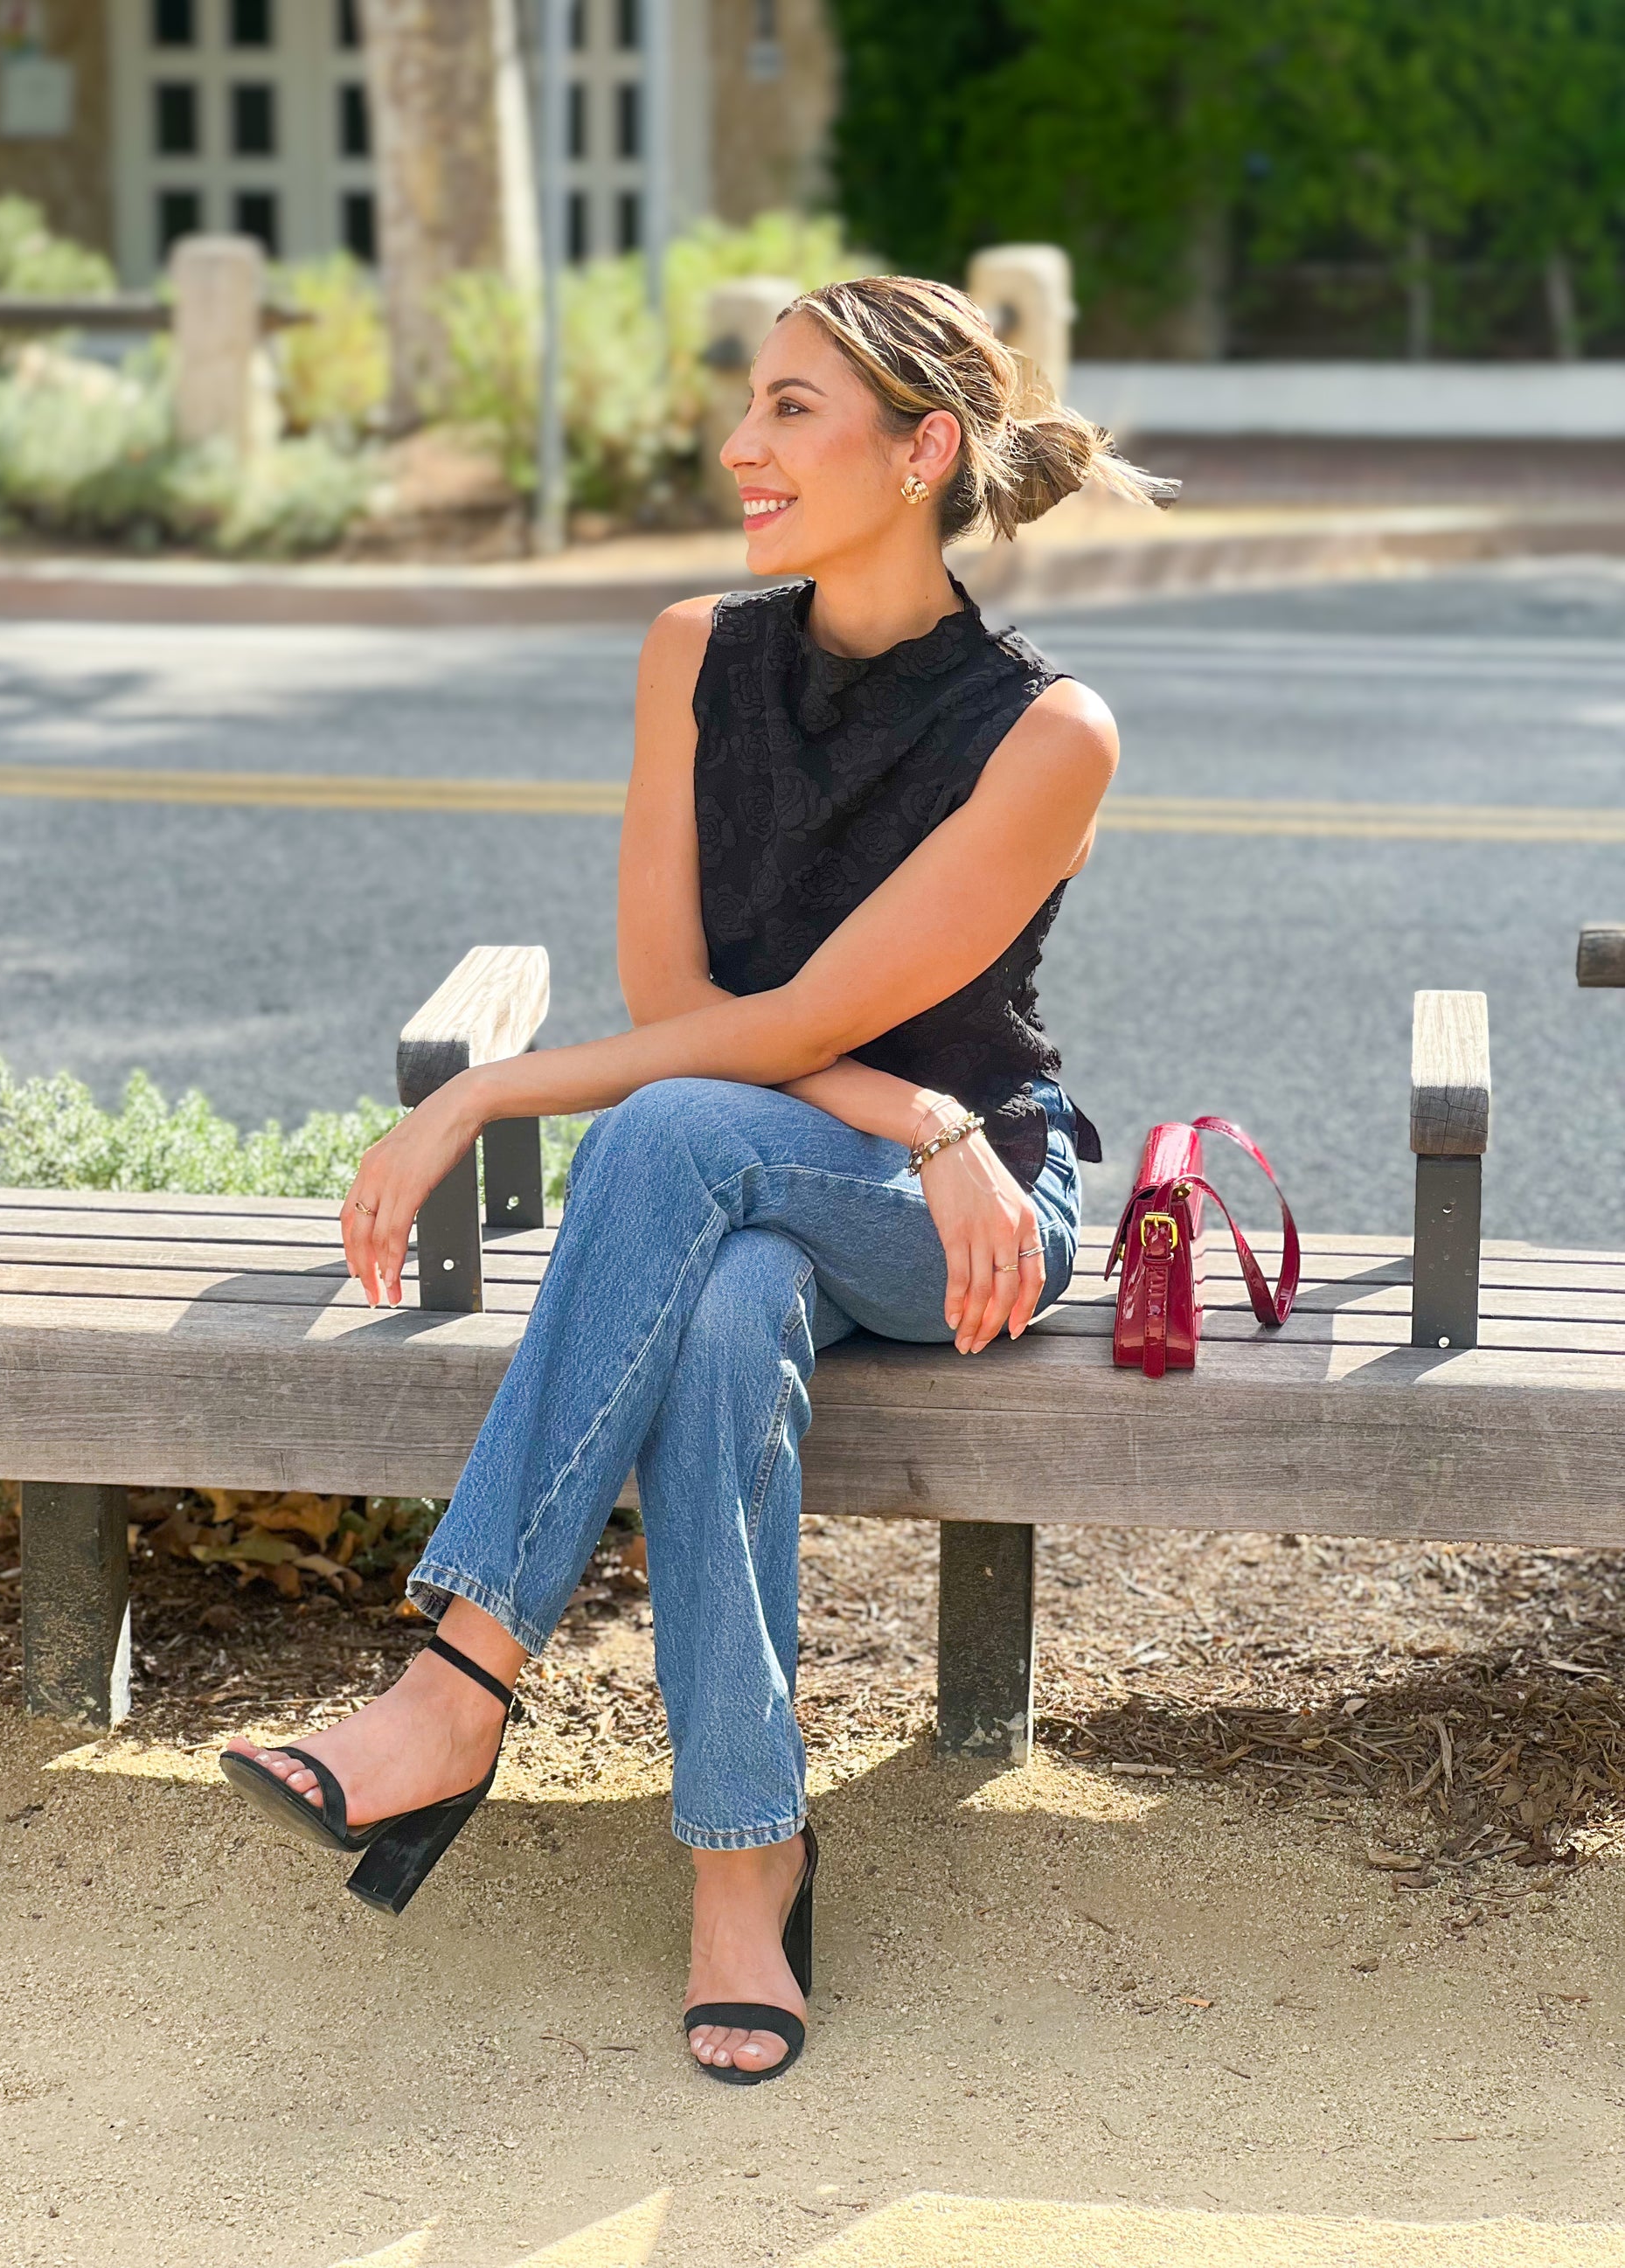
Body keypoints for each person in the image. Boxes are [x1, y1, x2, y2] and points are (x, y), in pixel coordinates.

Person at [221, 274, 1172, 2085]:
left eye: (792, 409)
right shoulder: (692, 655)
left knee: (668, 1133)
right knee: (726, 1296)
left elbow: (789, 1015)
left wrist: (491, 1091)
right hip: (843, 1162)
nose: (741, 444)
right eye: (749, 402)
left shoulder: (1050, 733)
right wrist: (909, 1114)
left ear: (921, 451)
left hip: (974, 1215)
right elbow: (682, 1010)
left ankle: (457, 1683)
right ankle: (745, 1852)